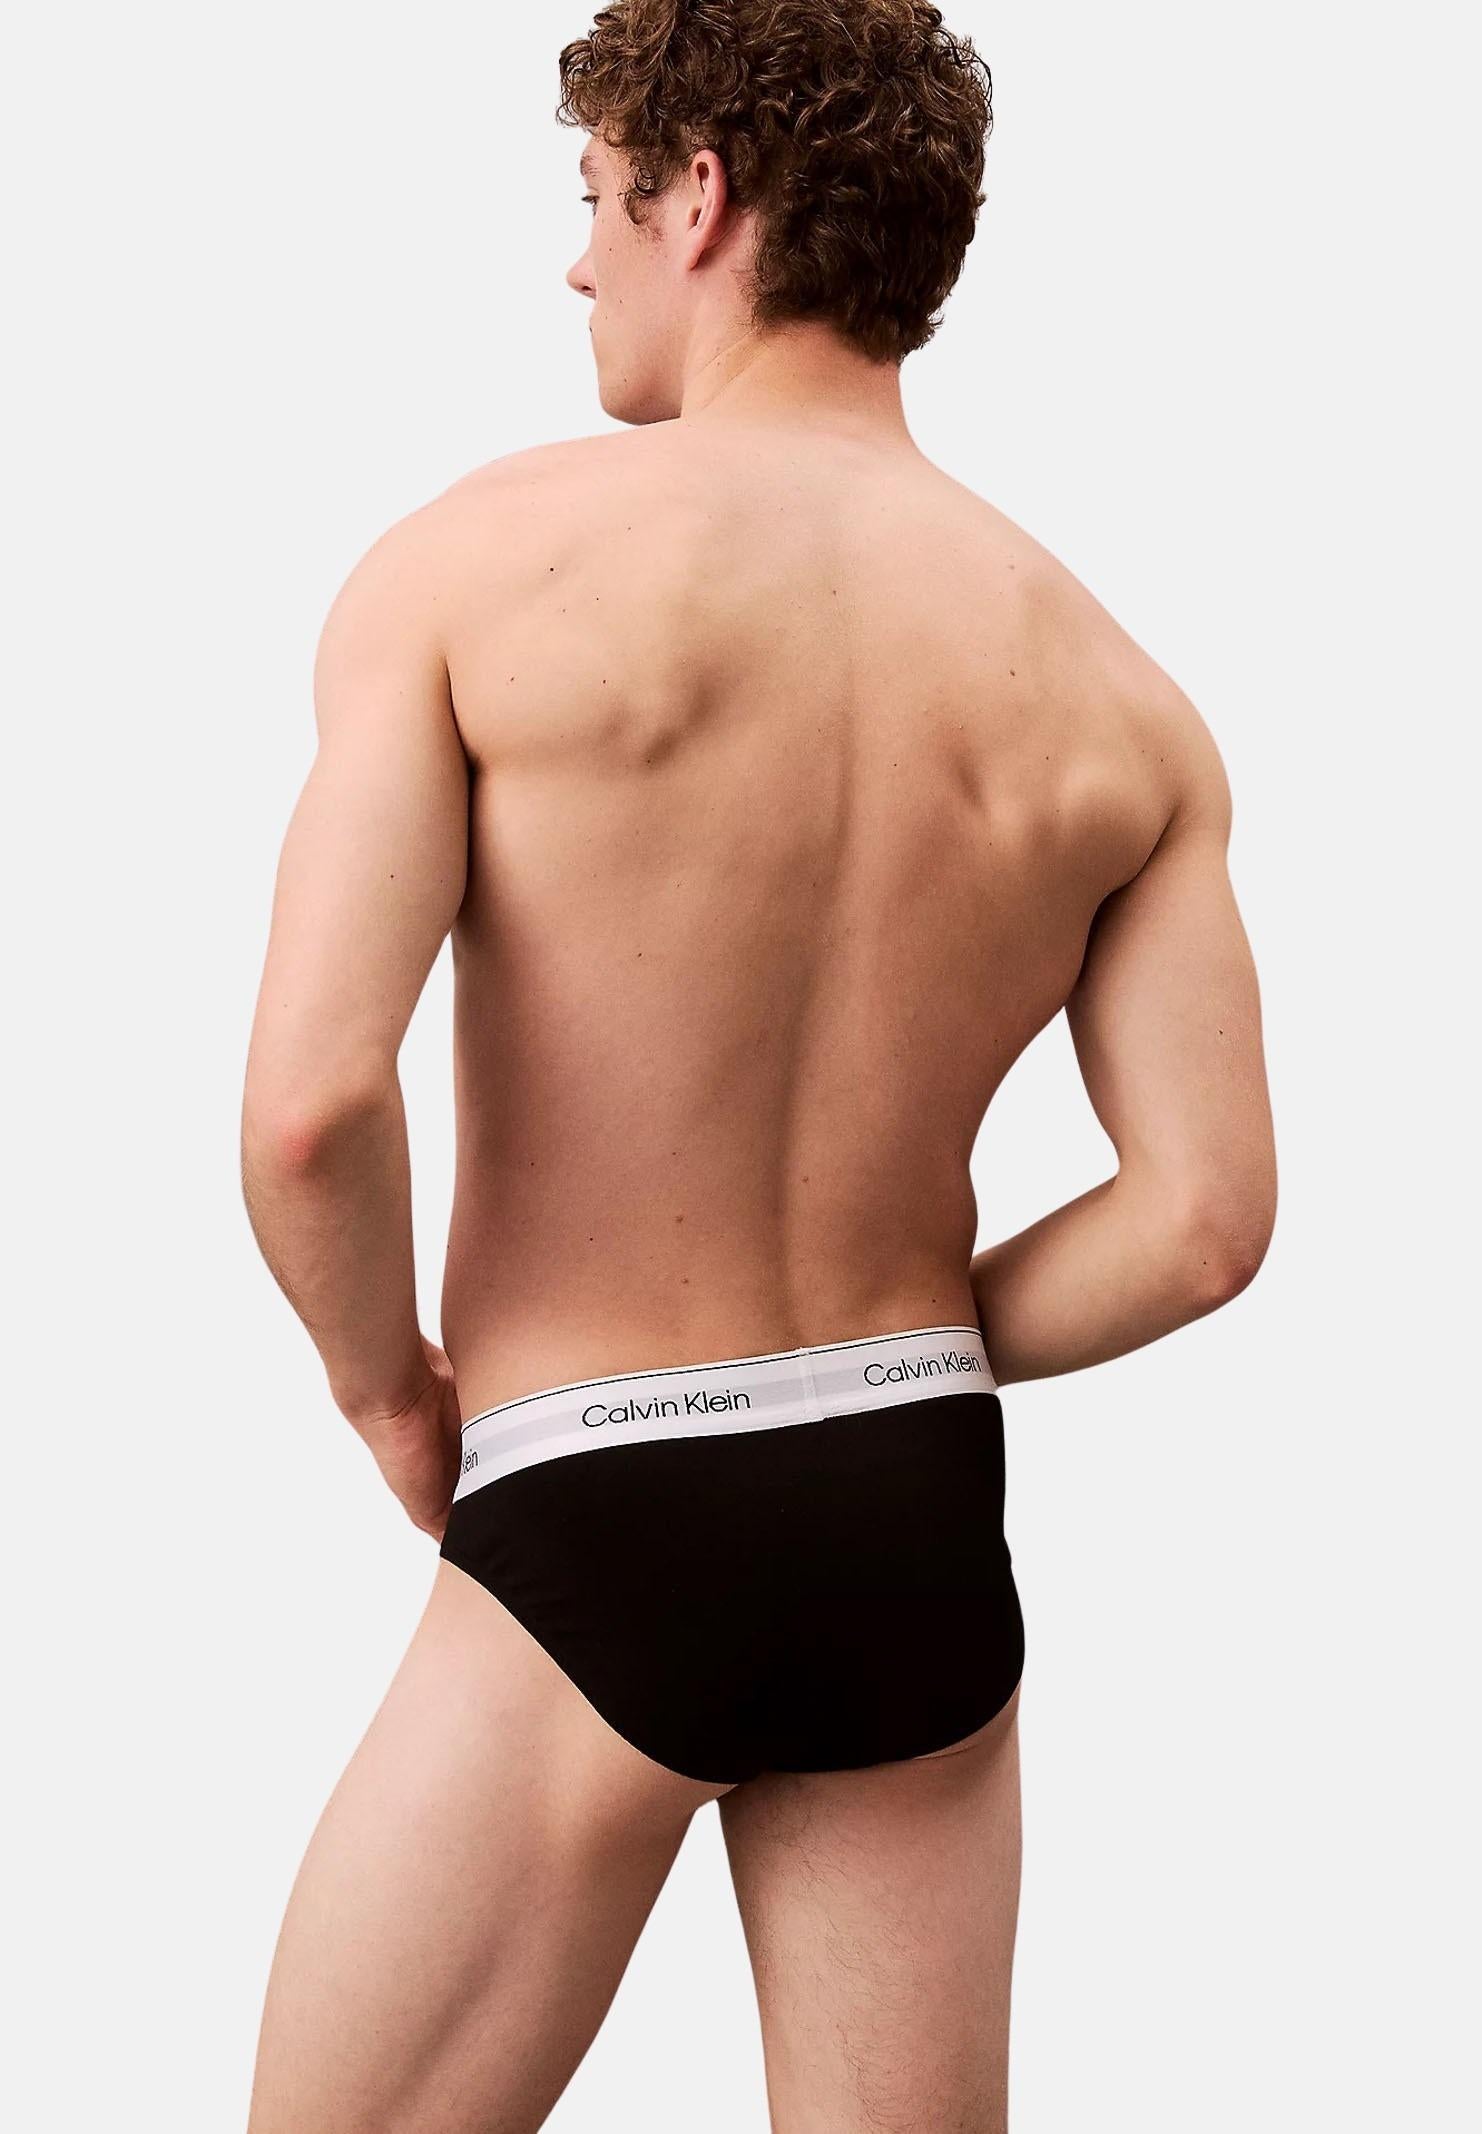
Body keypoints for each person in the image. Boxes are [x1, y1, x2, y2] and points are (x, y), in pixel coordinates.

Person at [239, 1, 1277, 2126]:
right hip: (915, 1510)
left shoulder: (475, 566)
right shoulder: (1117, 692)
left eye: (594, 197)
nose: (576, 260)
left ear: (698, 194)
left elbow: (313, 1104)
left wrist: (391, 1392)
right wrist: (896, 1350)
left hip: (590, 1483)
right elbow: (1200, 1221)